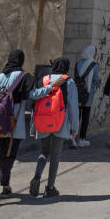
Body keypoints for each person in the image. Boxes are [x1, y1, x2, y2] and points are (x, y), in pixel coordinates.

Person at [0, 49, 38, 205]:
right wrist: (49, 89)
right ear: (21, 60)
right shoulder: (25, 77)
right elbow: (33, 95)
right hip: (15, 123)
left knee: (2, 155)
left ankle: (6, 187)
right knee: (11, 155)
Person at [30, 56, 78, 199]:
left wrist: (33, 127)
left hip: (43, 122)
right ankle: (49, 188)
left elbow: (35, 106)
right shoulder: (68, 82)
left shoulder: (43, 80)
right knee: (55, 156)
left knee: (44, 152)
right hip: (60, 123)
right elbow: (73, 108)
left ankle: (37, 175)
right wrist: (75, 128)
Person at [74, 44, 100, 148]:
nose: (95, 54)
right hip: (88, 95)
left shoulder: (78, 63)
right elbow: (96, 80)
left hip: (77, 93)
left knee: (76, 116)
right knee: (85, 117)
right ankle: (82, 139)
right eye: (95, 53)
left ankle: (73, 138)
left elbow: (76, 77)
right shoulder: (94, 65)